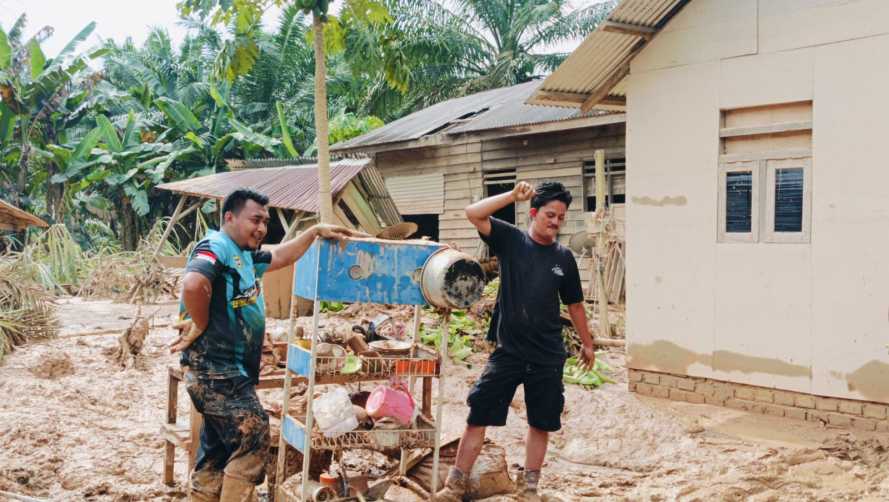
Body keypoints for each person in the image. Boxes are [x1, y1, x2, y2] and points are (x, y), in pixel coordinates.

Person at [171, 188, 358, 501]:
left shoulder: (243, 254)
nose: (261, 227)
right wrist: (200, 322)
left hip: (228, 371)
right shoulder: (216, 245)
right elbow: (193, 283)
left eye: (265, 221)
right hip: (216, 369)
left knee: (218, 449)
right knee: (254, 435)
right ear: (229, 217)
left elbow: (282, 255)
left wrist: (312, 232)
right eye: (254, 219)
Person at [437, 181, 595, 502]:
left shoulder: (564, 259)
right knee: (478, 413)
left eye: (561, 218)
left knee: (541, 422)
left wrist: (587, 343)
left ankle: (528, 489)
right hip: (508, 351)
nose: (555, 222)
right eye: (550, 214)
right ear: (534, 213)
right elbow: (473, 213)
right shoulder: (511, 241)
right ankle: (455, 485)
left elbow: (575, 305)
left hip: (547, 355)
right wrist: (511, 196)